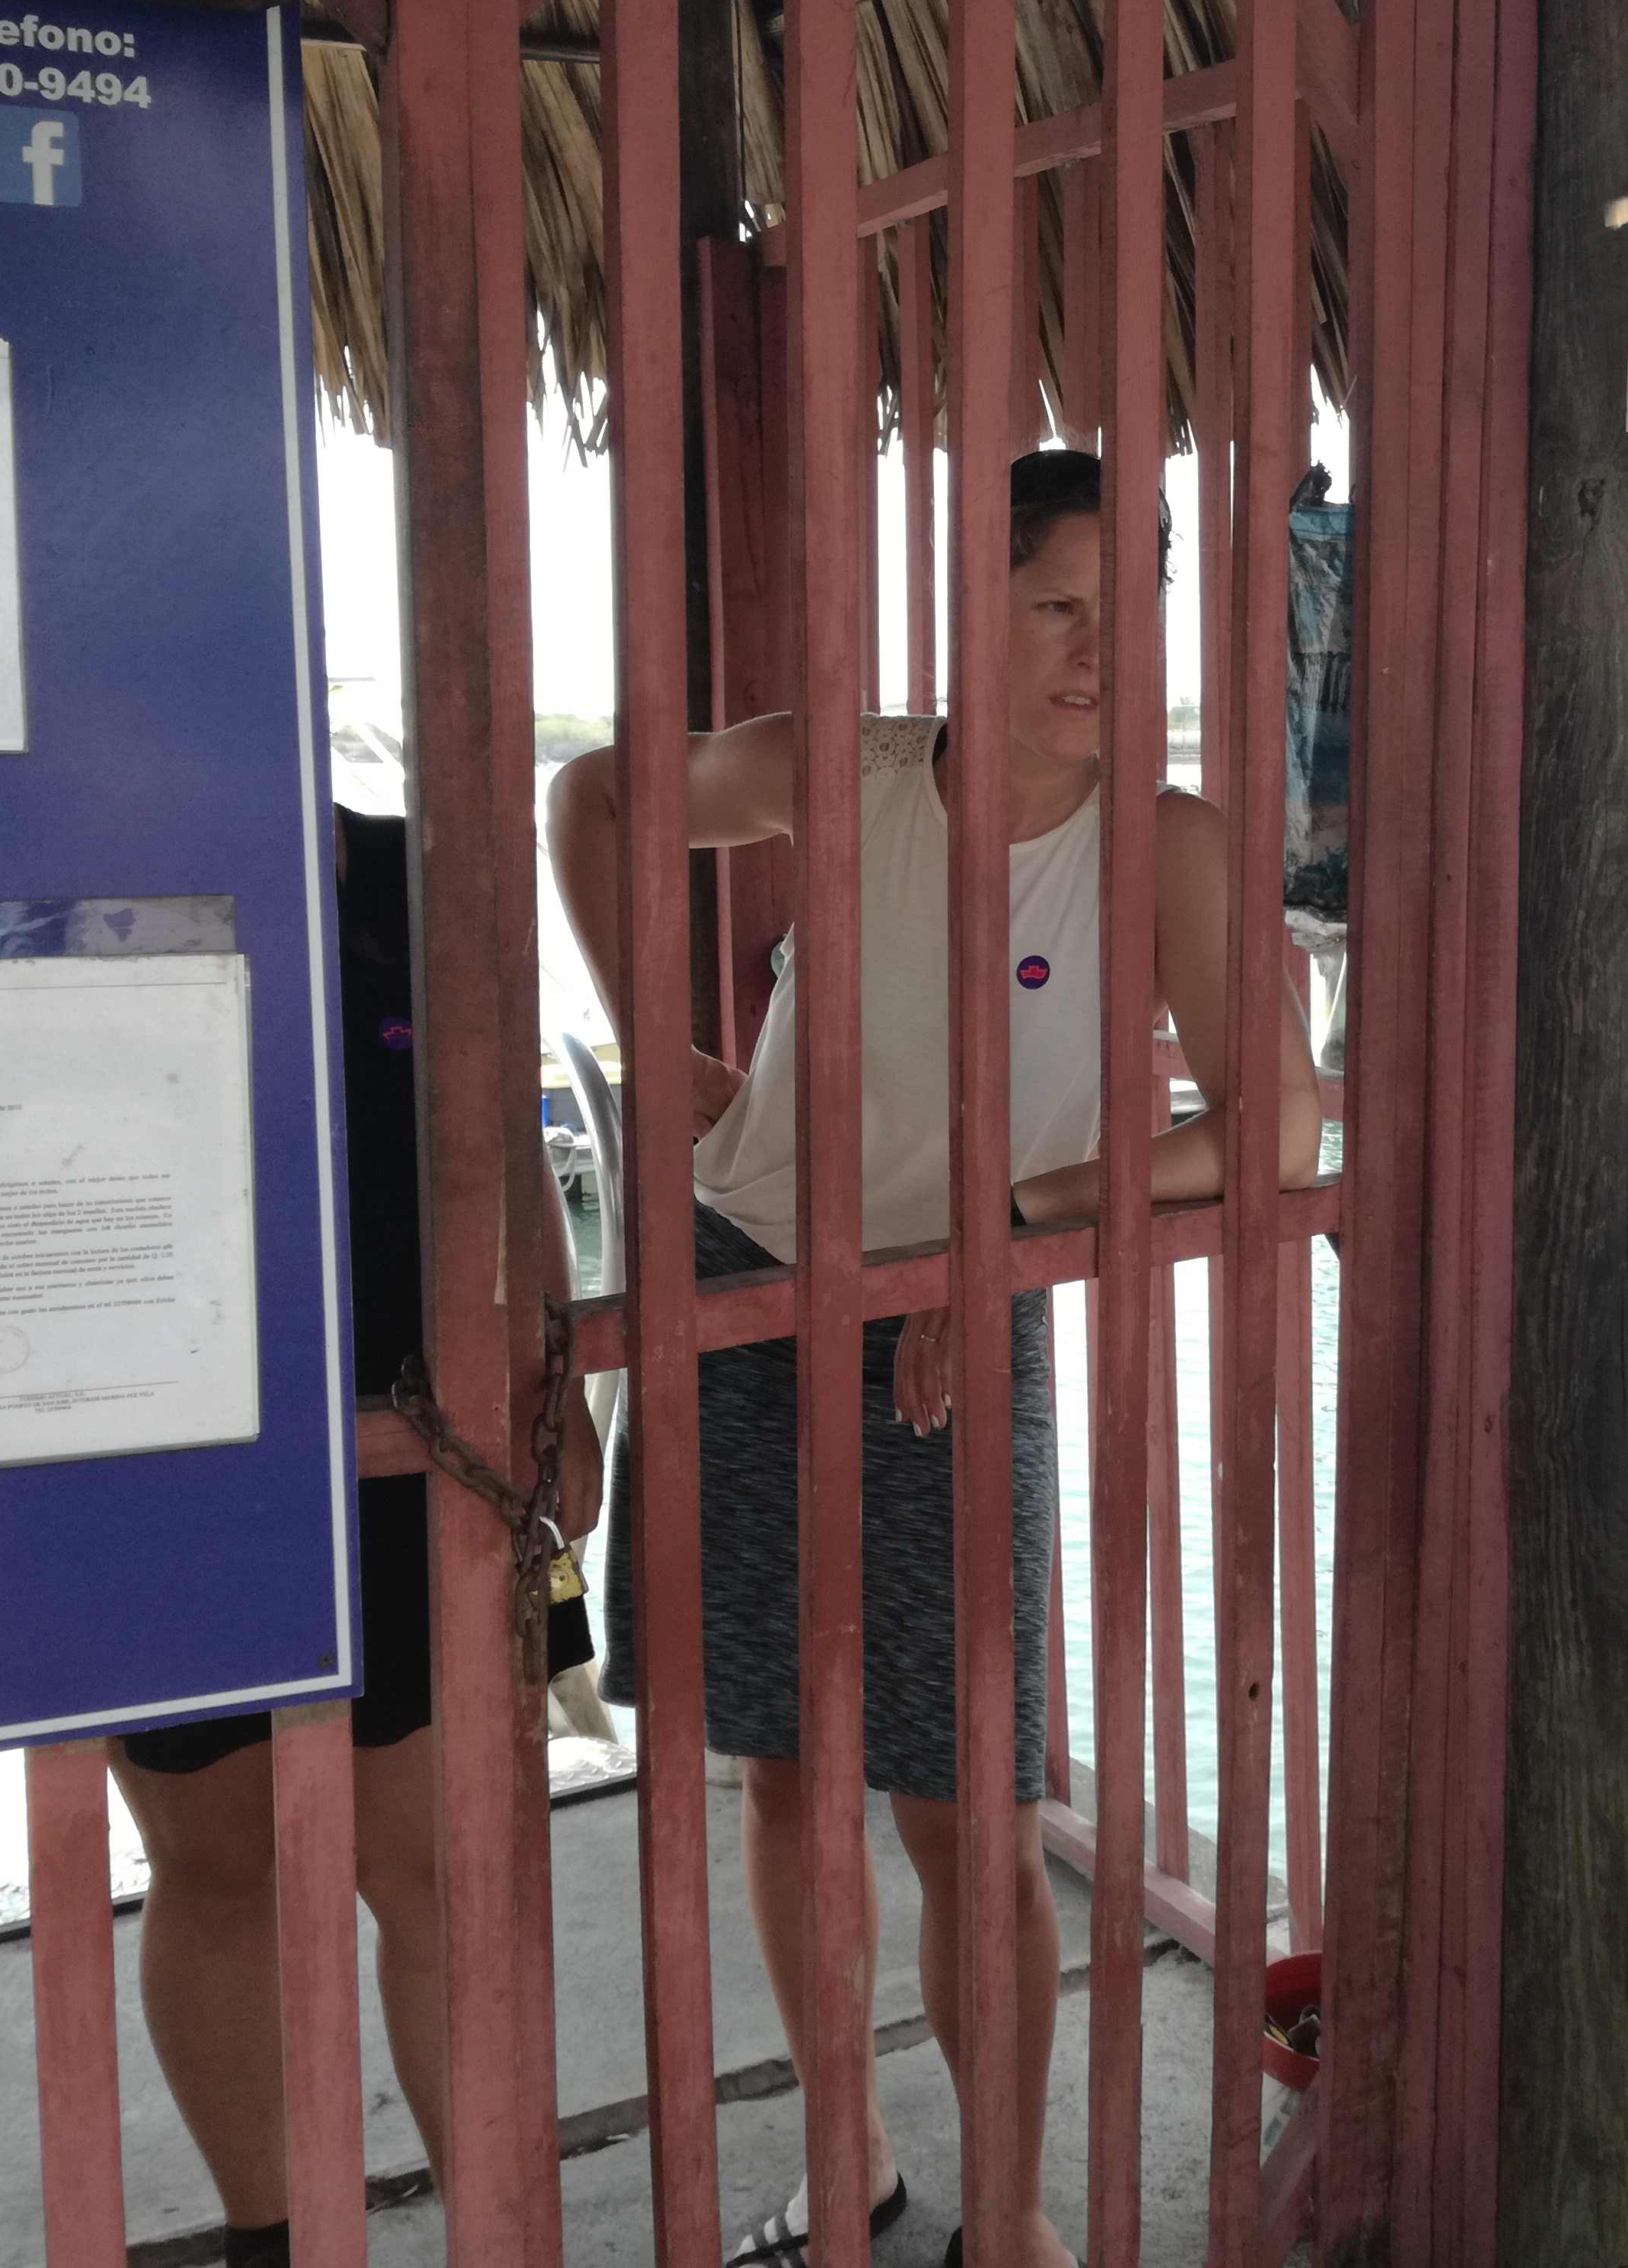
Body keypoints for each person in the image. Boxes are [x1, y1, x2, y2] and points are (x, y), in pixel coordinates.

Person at [549, 448, 1324, 2268]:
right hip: (744, 1282)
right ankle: (849, 2163)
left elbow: (1275, 1126)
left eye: (1128, 605)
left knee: (969, 1804)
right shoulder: (854, 768)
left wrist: (1011, 1221)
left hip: (955, 1332)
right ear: (974, 612)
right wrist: (652, 1030)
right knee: (779, 1768)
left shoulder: (1166, 845)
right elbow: (594, 795)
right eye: (1055, 606)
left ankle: (1019, 2214)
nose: (1098, 650)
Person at [108, 803, 600, 2268]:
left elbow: (506, 1140)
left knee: (439, 1868)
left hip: (428, 1446)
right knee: (218, 1865)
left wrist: (556, 1380)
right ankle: (278, 2239)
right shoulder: (77, 866)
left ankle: (495, 2236)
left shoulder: (417, 871)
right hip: (157, 1456)